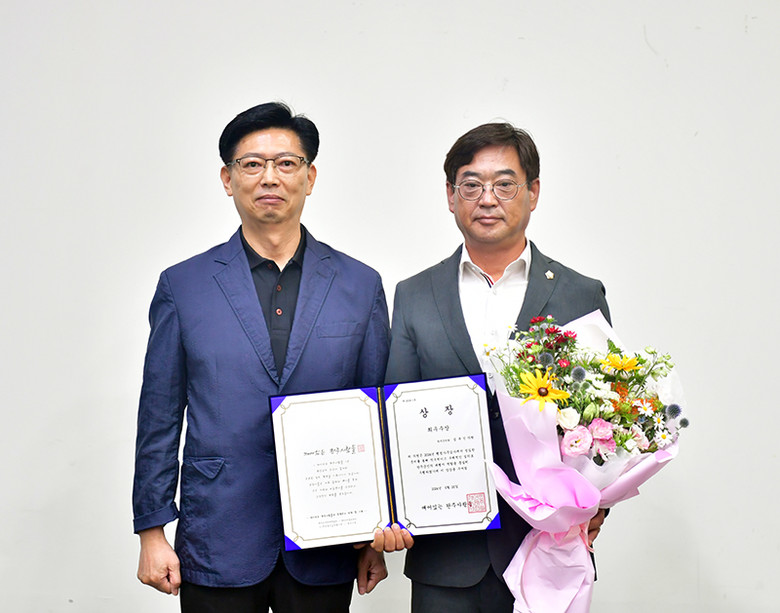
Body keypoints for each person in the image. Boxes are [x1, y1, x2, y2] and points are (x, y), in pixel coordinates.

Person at [132, 102, 390, 612]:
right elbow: (158, 417)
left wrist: (375, 529)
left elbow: (375, 414)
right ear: (227, 179)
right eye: (252, 164)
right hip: (217, 534)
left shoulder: (360, 285)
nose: (270, 176)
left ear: (310, 177)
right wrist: (151, 530)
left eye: (286, 163)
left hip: (327, 536)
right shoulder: (184, 286)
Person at [379, 122, 611, 612]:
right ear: (450, 195)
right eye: (471, 185)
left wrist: (598, 504)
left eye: (505, 184)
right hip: (446, 557)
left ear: (533, 192)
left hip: (547, 548)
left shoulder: (579, 294)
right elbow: (395, 416)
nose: (488, 199)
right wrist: (390, 508)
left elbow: (606, 418)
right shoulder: (414, 295)